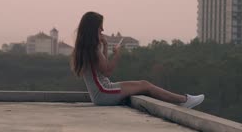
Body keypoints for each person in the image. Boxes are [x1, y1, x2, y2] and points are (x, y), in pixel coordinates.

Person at [70, 11, 204, 108]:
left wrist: (105, 45)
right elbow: (107, 71)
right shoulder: (92, 49)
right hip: (104, 93)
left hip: (100, 94)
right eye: (100, 27)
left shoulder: (85, 48)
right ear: (93, 28)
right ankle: (184, 100)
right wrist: (117, 53)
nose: (103, 29)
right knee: (145, 85)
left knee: (143, 85)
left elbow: (102, 67)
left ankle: (182, 100)